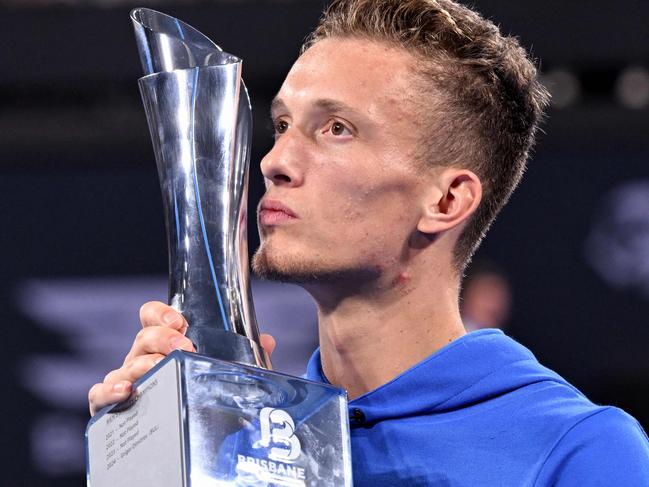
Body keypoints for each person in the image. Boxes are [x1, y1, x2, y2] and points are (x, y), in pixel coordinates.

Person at [89, 0, 649, 484]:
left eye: (337, 129)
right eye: (282, 125)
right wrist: (144, 453)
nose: (274, 161)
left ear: (447, 201)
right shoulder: (244, 443)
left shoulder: (579, 450)